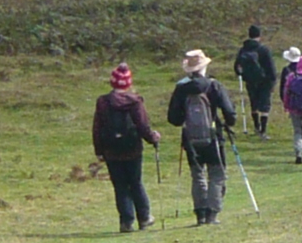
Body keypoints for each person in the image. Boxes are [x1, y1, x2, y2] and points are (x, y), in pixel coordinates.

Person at [166, 50, 237, 226]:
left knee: (197, 175)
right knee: (216, 174)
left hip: (190, 138)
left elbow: (173, 119)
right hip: (213, 136)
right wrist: (227, 122)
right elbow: (230, 114)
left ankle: (200, 214)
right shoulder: (213, 85)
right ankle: (212, 213)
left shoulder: (181, 88)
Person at [91, 62, 157, 232]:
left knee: (120, 186)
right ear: (129, 83)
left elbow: (97, 127)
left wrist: (99, 151)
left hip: (111, 151)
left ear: (112, 82)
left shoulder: (103, 102)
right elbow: (143, 125)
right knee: (135, 182)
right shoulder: (135, 101)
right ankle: (144, 218)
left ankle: (126, 222)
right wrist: (153, 138)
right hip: (132, 149)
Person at [232, 27, 277, 138]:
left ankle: (256, 128)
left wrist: (241, 75)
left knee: (254, 104)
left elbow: (236, 66)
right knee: (265, 105)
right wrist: (273, 80)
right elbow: (270, 67)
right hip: (264, 81)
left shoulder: (243, 49)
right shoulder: (263, 49)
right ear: (259, 36)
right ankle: (263, 131)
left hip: (250, 80)